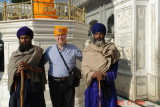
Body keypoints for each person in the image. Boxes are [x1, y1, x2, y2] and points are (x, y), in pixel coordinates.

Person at [42, 26, 82, 107]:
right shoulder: (49, 50)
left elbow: (86, 60)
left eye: (62, 34)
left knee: (69, 105)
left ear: (66, 35)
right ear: (55, 37)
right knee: (56, 104)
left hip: (69, 82)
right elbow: (40, 63)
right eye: (58, 35)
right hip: (54, 83)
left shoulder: (73, 49)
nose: (60, 37)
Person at [82, 23, 120, 107]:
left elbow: (114, 72)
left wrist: (104, 75)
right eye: (96, 34)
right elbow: (84, 68)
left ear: (104, 35)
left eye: (101, 34)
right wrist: (92, 74)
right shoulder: (87, 50)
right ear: (93, 35)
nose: (99, 36)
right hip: (92, 87)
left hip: (107, 86)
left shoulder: (112, 49)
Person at [8, 26, 46, 107]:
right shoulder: (15, 55)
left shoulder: (37, 52)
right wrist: (18, 70)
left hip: (33, 87)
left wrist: (29, 67)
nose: (24, 40)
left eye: (26, 38)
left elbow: (41, 70)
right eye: (22, 38)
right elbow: (11, 71)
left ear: (30, 38)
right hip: (18, 86)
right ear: (19, 39)